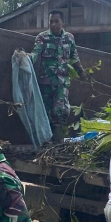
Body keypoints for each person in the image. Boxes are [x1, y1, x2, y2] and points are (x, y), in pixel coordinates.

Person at [27, 9, 87, 143]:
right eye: (51, 22)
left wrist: (81, 72)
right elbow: (36, 53)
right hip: (46, 83)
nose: (53, 24)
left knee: (60, 111)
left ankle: (58, 142)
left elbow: (74, 57)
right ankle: (45, 143)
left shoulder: (69, 38)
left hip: (62, 83)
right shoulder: (42, 37)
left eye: (56, 21)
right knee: (45, 113)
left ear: (62, 22)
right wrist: (27, 59)